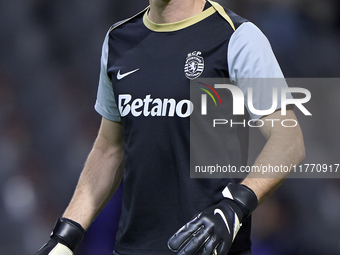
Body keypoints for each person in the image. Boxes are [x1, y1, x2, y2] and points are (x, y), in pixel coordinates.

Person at [35, 0, 305, 254]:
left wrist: (234, 207)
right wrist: (65, 235)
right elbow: (109, 150)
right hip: (132, 248)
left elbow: (289, 141)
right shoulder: (119, 40)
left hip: (209, 247)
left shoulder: (238, 37)